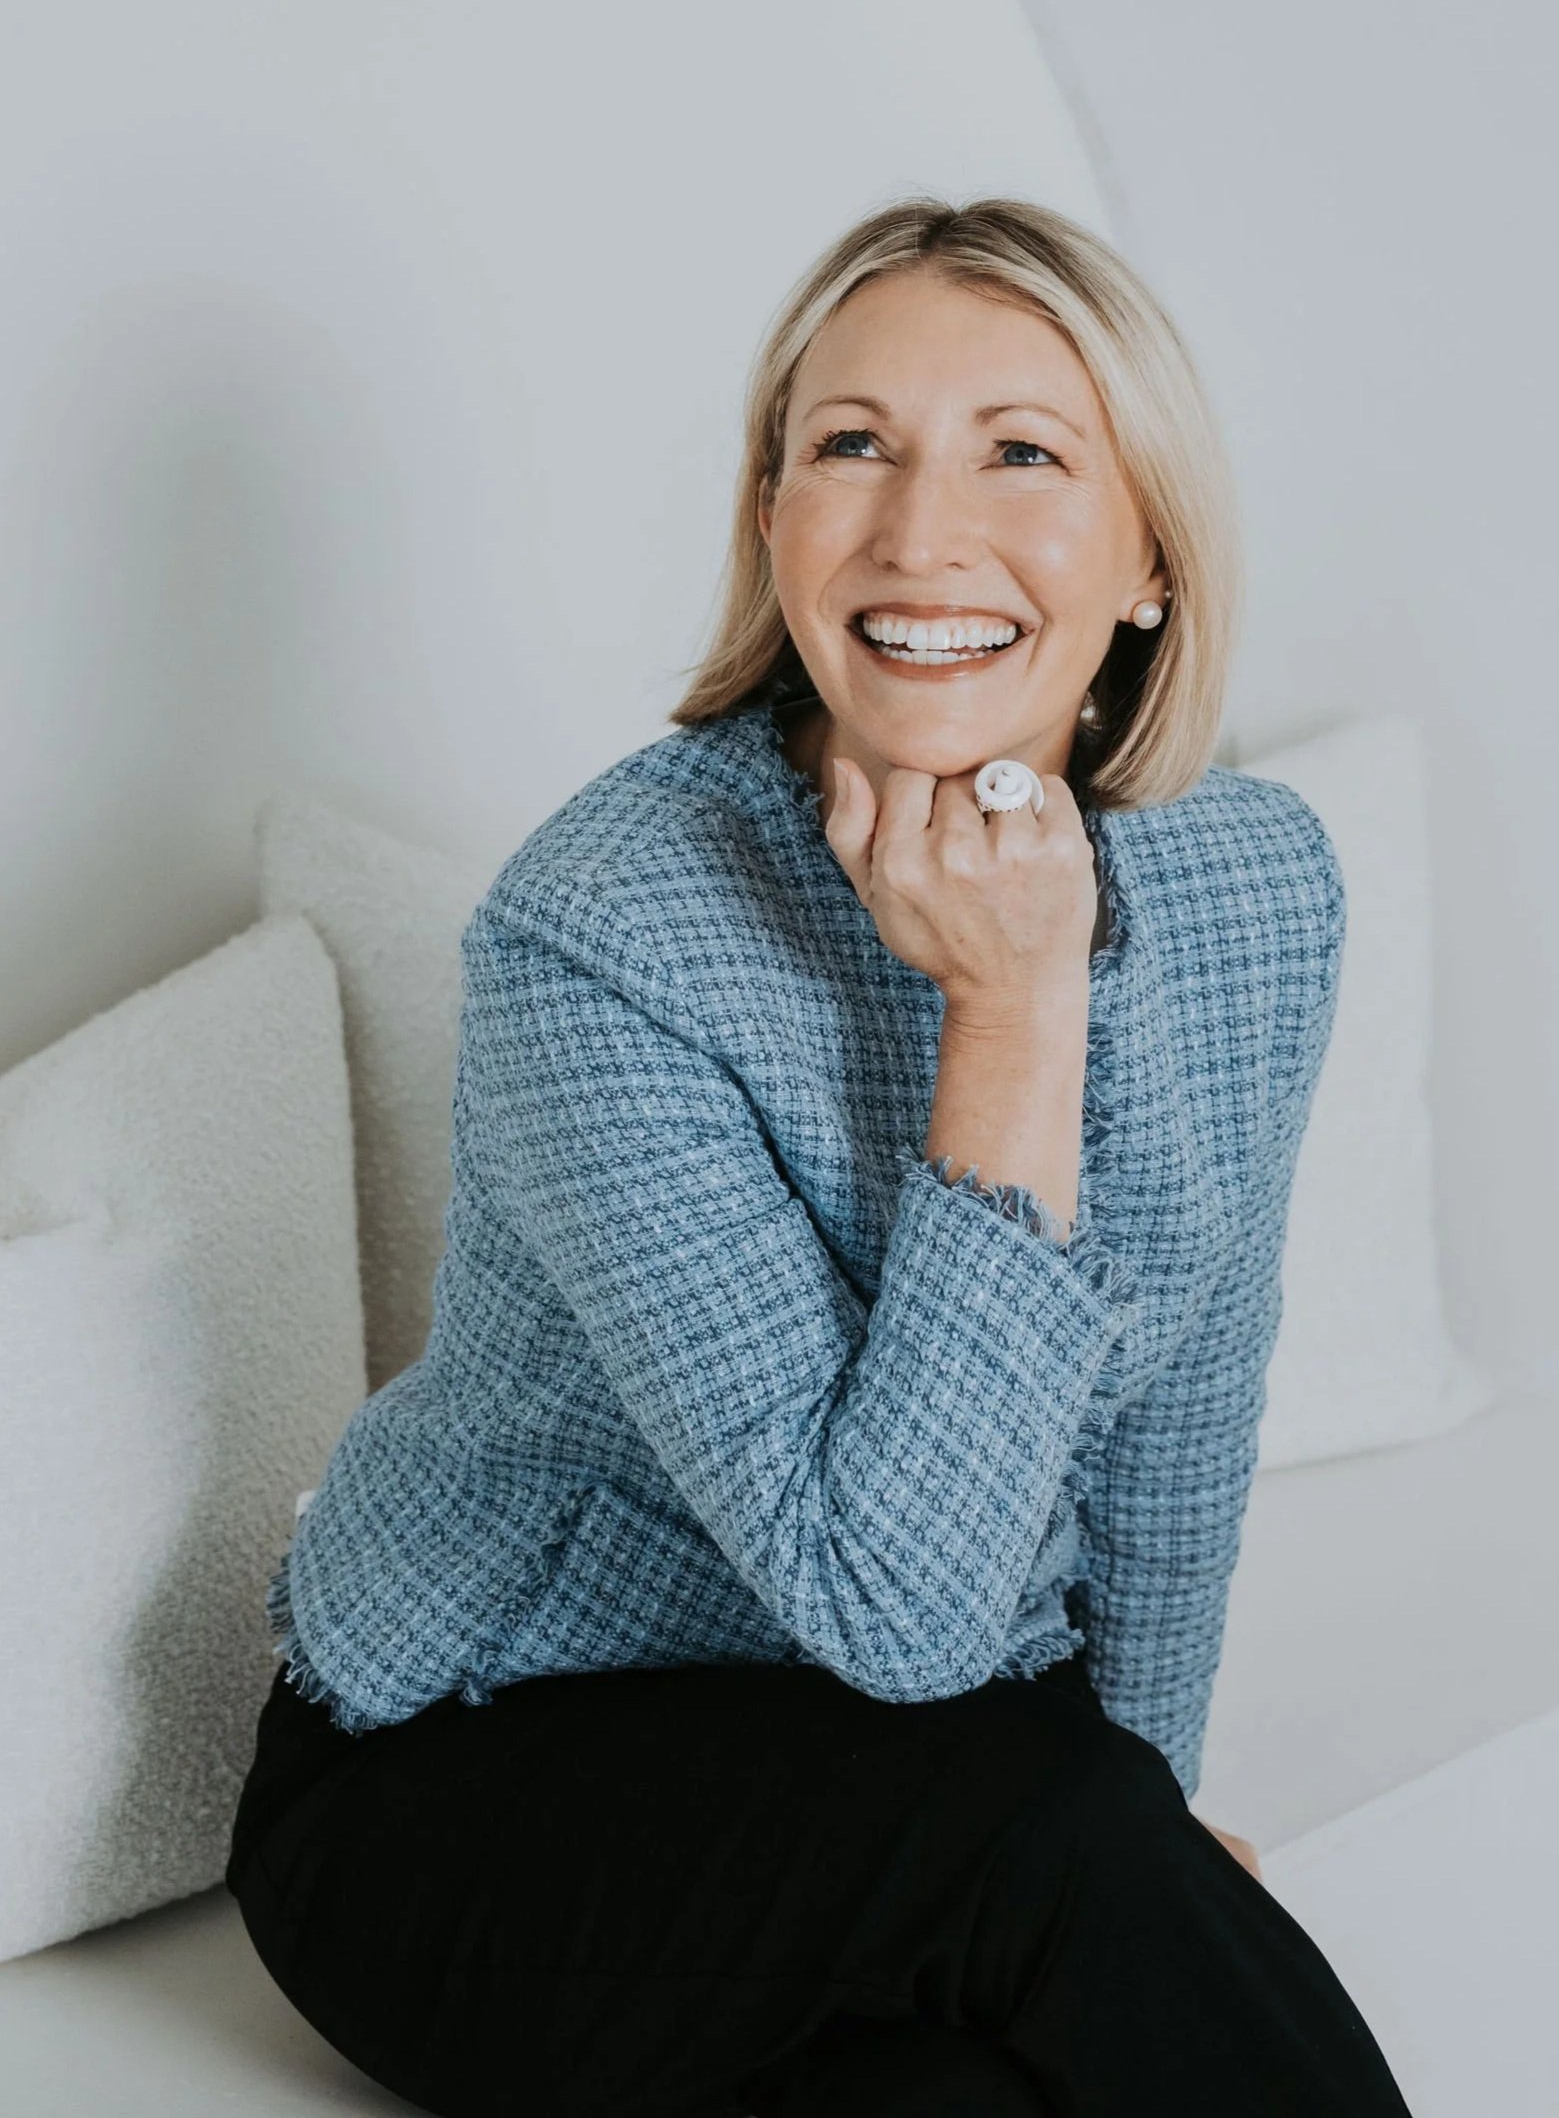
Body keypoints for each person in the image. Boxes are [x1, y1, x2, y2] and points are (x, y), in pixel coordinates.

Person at [227, 194, 1414, 2114]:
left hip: (920, 1790)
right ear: (772, 525)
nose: (919, 531)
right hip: (475, 1789)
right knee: (1047, 1837)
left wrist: (1145, 1839)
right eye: (849, 444)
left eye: (1021, 453)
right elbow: (897, 1608)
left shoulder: (1256, 891)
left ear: (1150, 565)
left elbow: (1181, 1415)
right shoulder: (605, 936)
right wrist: (1014, 1020)